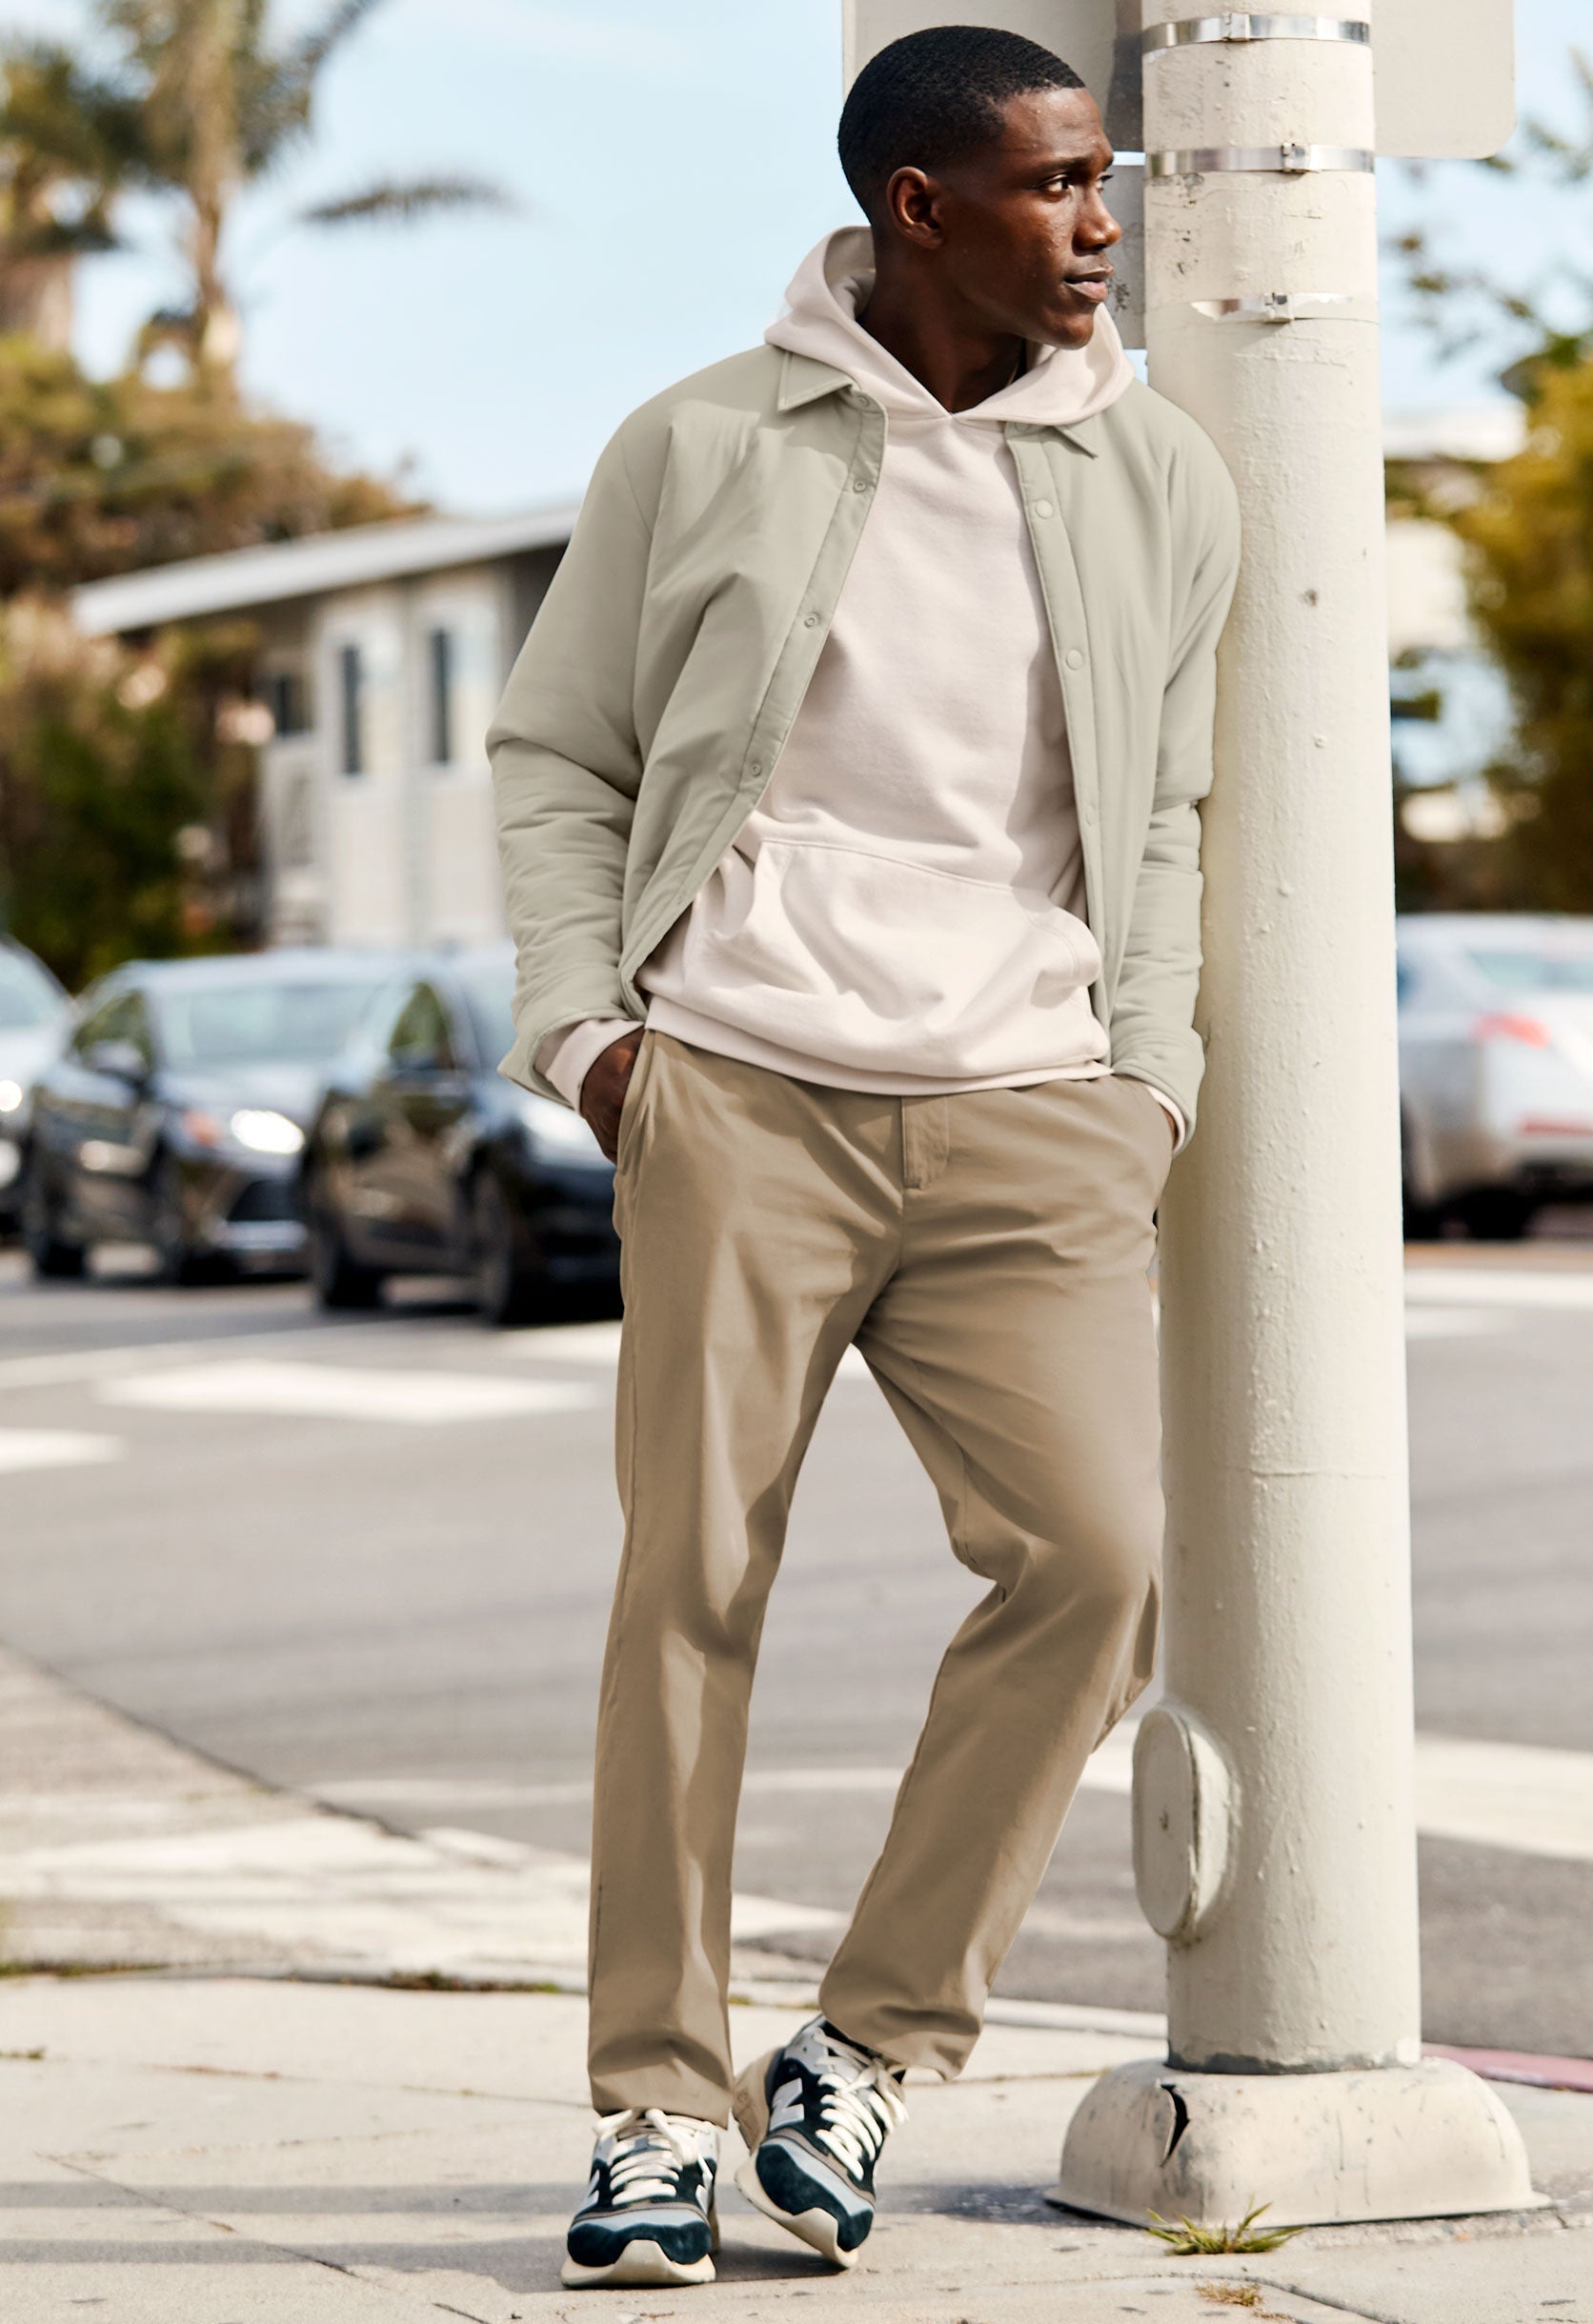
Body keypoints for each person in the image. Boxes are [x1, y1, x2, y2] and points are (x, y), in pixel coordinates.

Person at [489, 23, 1239, 2294]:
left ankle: (868, 2039)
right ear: (922, 211)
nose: (1101, 226)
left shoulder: (1162, 475)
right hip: (745, 1084)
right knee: (690, 1588)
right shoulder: (703, 442)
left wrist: (1148, 1077)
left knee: (1096, 1566)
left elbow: (1171, 807)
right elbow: (560, 749)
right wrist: (596, 1037)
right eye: (1056, 188)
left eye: (1105, 184)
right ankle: (649, 2105)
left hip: (1034, 1105)